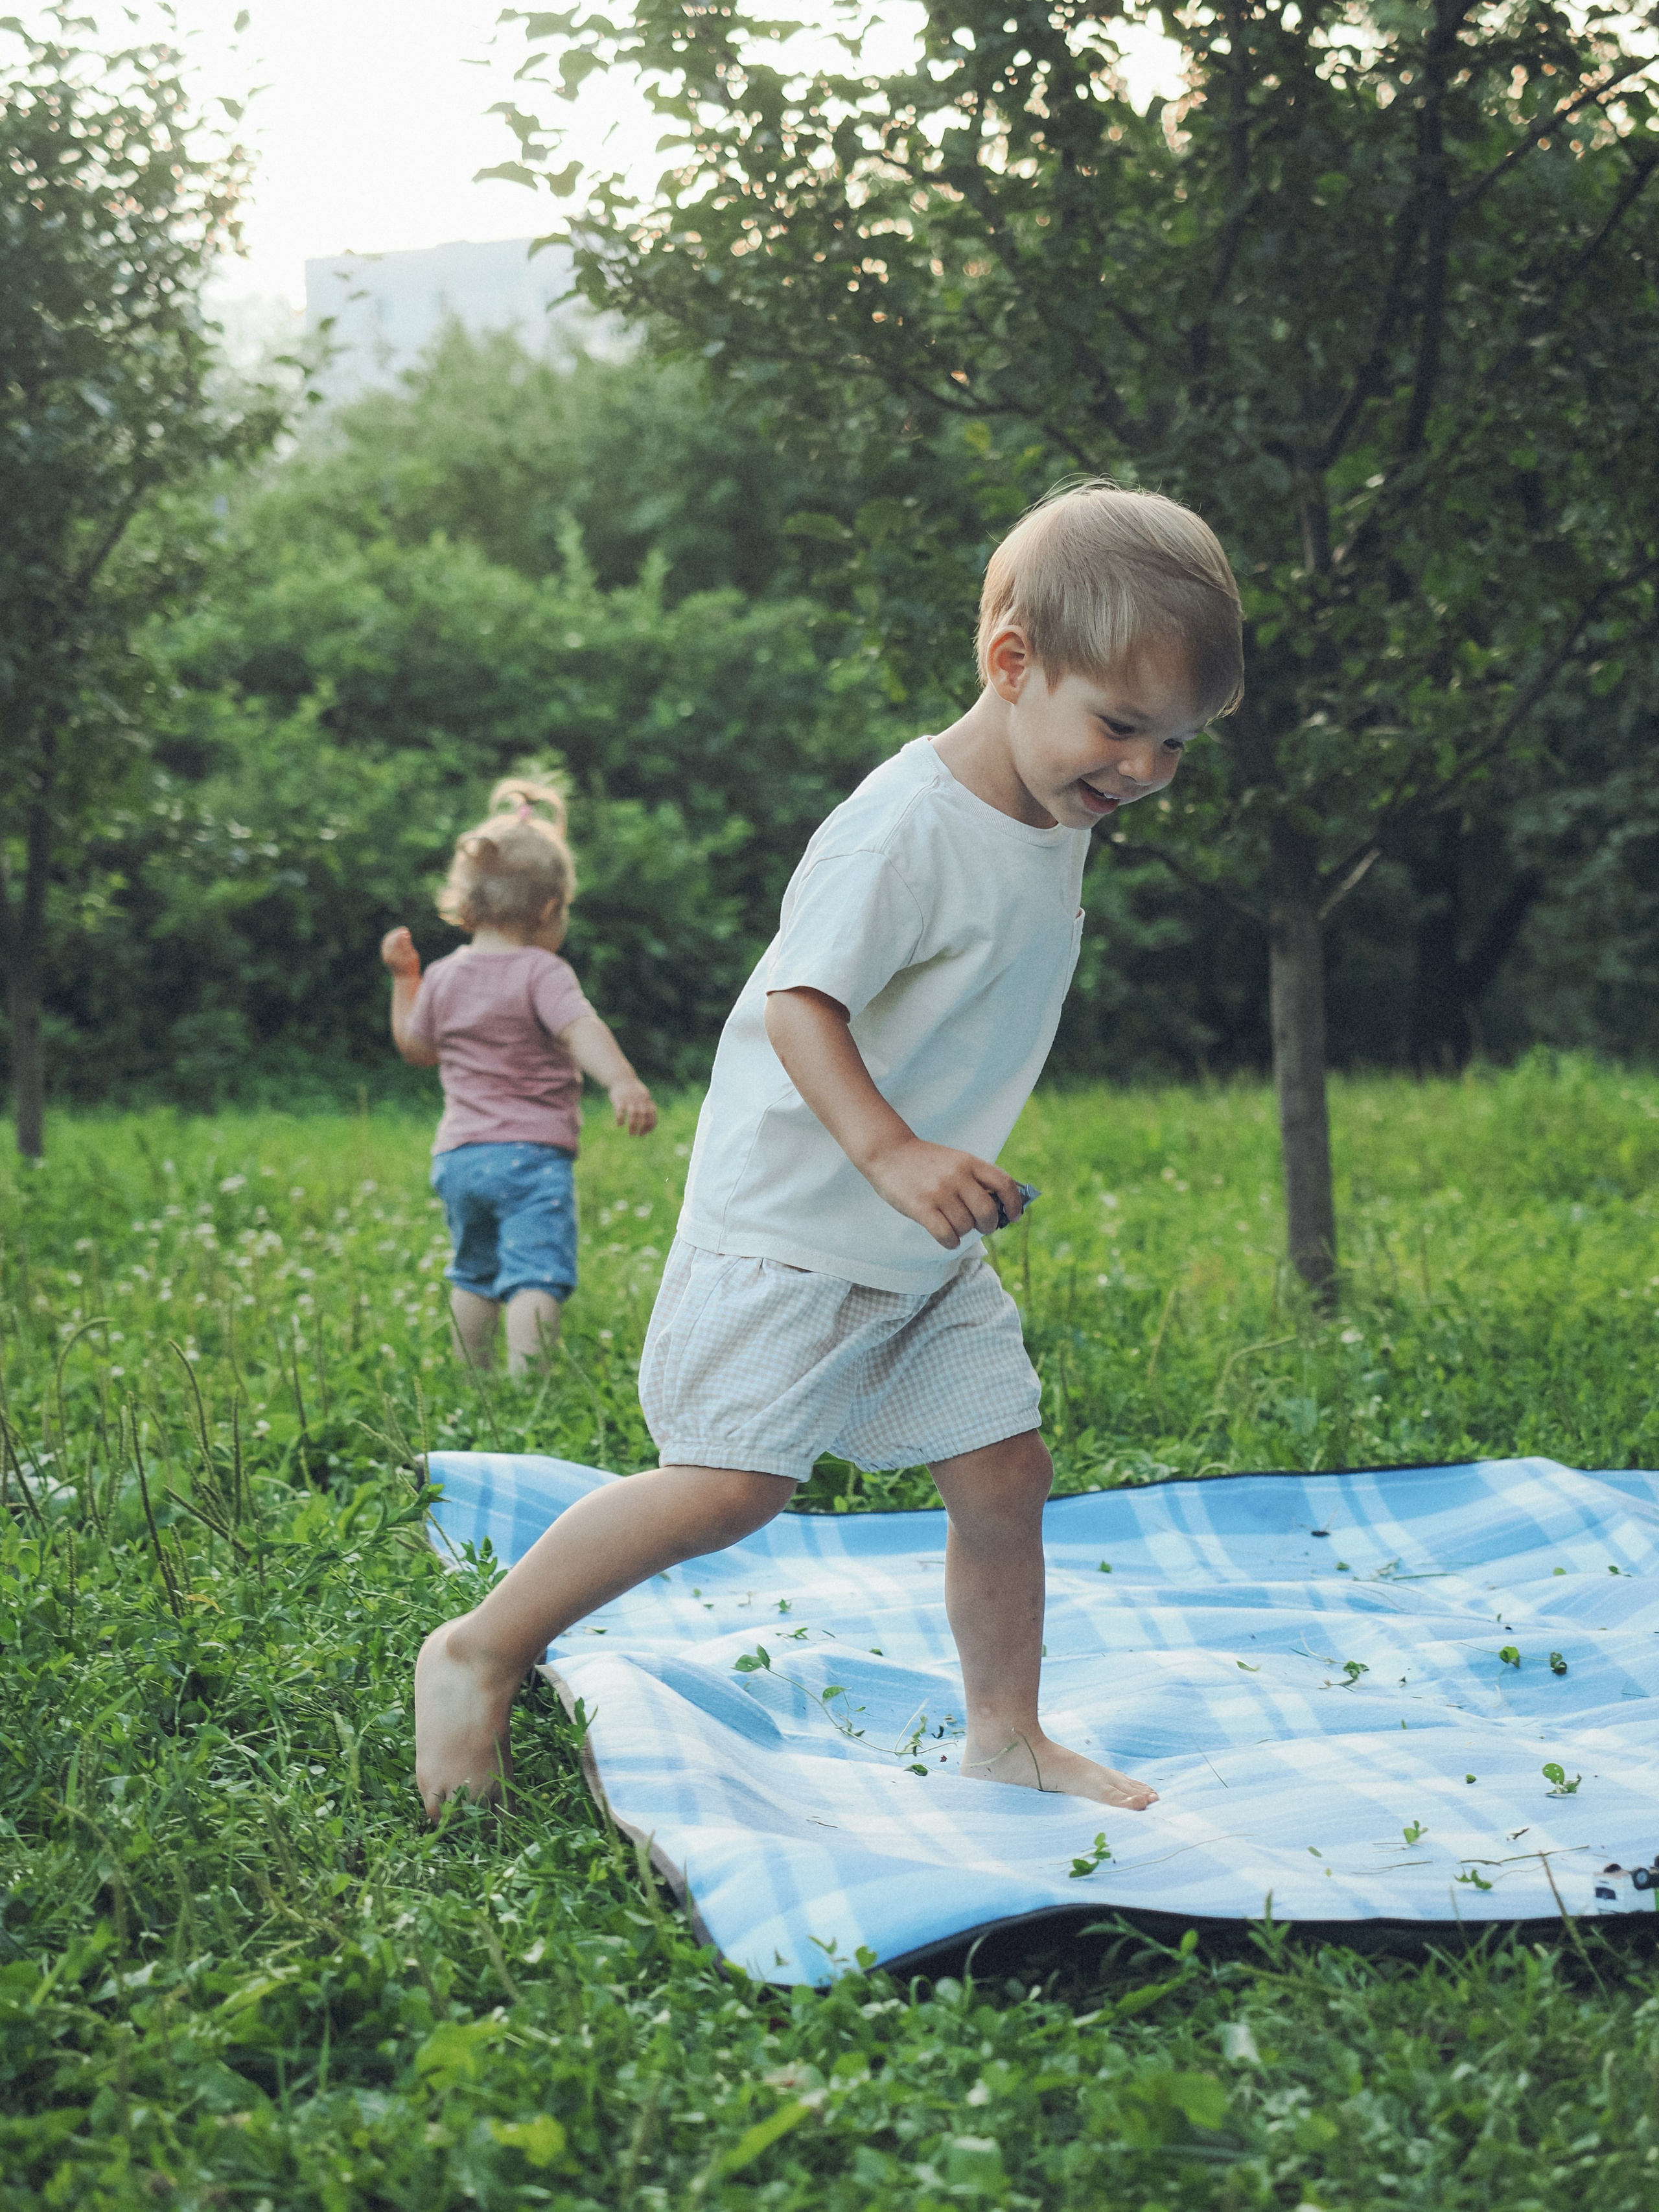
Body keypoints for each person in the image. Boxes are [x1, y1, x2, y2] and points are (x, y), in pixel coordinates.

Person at [415, 483, 1243, 1818]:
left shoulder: (1046, 810)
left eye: (1176, 743)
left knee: (1004, 1468)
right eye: (1121, 726)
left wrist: (924, 1169)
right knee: (727, 1488)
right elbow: (799, 1001)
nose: (1144, 769)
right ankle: (477, 1648)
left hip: (911, 1239)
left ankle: (1006, 1733)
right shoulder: (903, 825)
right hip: (799, 1217)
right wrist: (893, 1149)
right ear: (1011, 663)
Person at [382, 775, 656, 1375]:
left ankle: (470, 1381)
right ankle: (527, 1385)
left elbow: (415, 1048)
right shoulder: (542, 972)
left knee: (474, 1273)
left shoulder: (446, 976)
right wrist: (622, 1080)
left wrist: (407, 981)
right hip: (530, 1156)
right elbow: (580, 1029)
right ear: (552, 909)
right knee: (535, 1273)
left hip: (458, 1158)